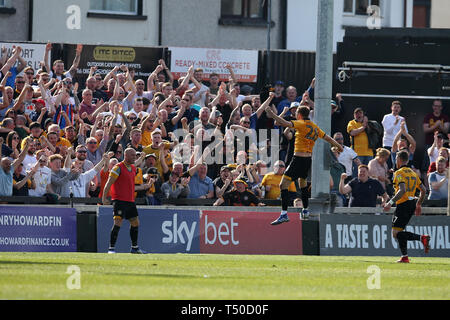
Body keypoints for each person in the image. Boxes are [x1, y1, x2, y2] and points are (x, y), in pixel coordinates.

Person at [264, 104, 343, 225]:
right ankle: (305, 210)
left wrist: (272, 114)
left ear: (299, 115)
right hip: (307, 160)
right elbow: (328, 138)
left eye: (296, 114)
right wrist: (338, 146)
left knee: (283, 185)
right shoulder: (314, 127)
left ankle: (284, 214)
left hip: (298, 159)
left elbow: (284, 123)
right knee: (303, 184)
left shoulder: (300, 123)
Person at [383, 150, 430, 263]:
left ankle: (422, 238)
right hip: (411, 204)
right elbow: (423, 190)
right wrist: (418, 204)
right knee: (399, 233)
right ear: (407, 160)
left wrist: (390, 203)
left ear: (398, 160)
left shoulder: (399, 173)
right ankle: (405, 257)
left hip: (403, 205)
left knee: (396, 233)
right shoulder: (413, 173)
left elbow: (402, 190)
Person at [102, 148, 146, 254]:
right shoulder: (118, 168)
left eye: (135, 155)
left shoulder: (132, 167)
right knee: (118, 222)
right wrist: (104, 198)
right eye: (132, 155)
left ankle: (134, 248)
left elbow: (136, 163)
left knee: (135, 222)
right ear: (126, 156)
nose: (134, 157)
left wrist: (142, 157)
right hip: (119, 200)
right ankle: (111, 249)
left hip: (130, 201)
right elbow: (108, 183)